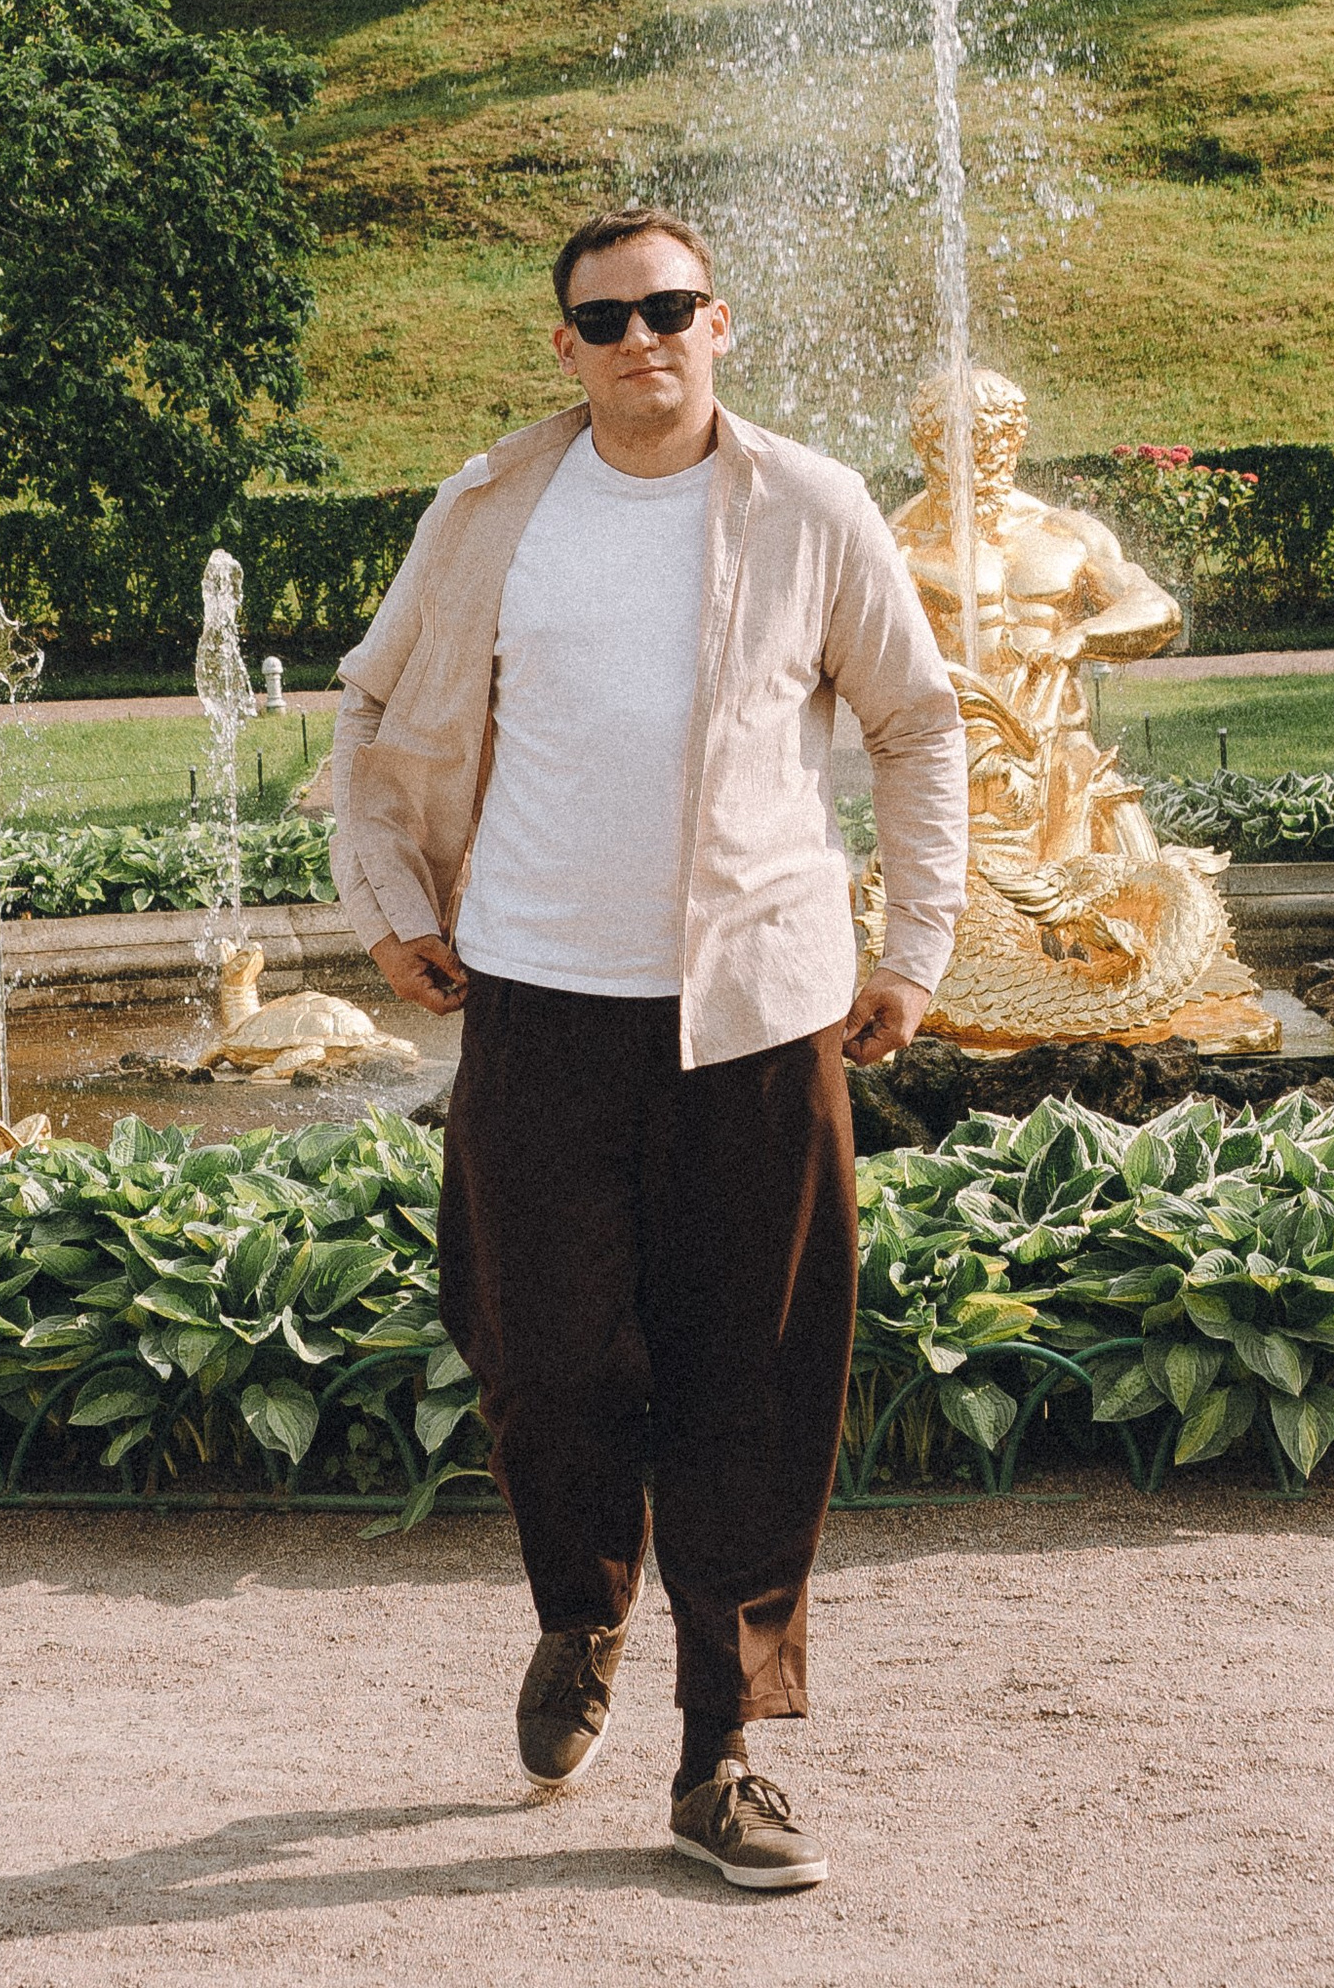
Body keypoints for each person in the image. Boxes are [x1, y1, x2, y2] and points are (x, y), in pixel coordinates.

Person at [331, 206, 970, 1895]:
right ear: (567, 345)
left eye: (670, 309)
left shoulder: (812, 507)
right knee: (536, 1354)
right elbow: (374, 709)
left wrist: (912, 948)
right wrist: (390, 904)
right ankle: (581, 1608)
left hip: (755, 1010)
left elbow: (916, 723)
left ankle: (722, 1753)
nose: (643, 341)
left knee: (752, 1375)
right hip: (536, 997)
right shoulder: (490, 509)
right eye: (608, 319)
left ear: (719, 323)